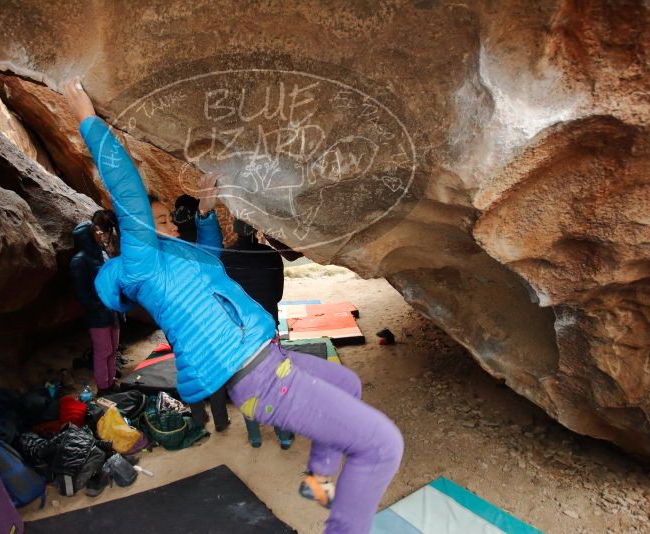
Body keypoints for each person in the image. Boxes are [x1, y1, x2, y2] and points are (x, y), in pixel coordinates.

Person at [63, 78, 403, 534]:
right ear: (136, 234)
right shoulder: (141, 266)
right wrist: (87, 119)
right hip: (257, 378)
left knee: (346, 382)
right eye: (161, 221)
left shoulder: (173, 261)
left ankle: (319, 480)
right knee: (382, 444)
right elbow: (128, 196)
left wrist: (204, 213)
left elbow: (212, 261)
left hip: (272, 359)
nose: (171, 227)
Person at [220, 219, 294, 448]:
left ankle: (254, 436)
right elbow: (278, 294)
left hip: (238, 332)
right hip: (266, 328)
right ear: (256, 229)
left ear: (234, 231)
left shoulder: (224, 258)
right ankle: (283, 435)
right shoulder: (270, 255)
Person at [69, 209, 121, 396]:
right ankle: (103, 386)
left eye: (99, 230)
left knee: (114, 348)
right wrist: (101, 305)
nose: (100, 233)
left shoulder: (103, 255)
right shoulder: (79, 262)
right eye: (95, 231)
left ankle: (111, 381)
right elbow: (82, 293)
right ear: (87, 237)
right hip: (97, 316)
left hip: (111, 311)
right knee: (103, 351)